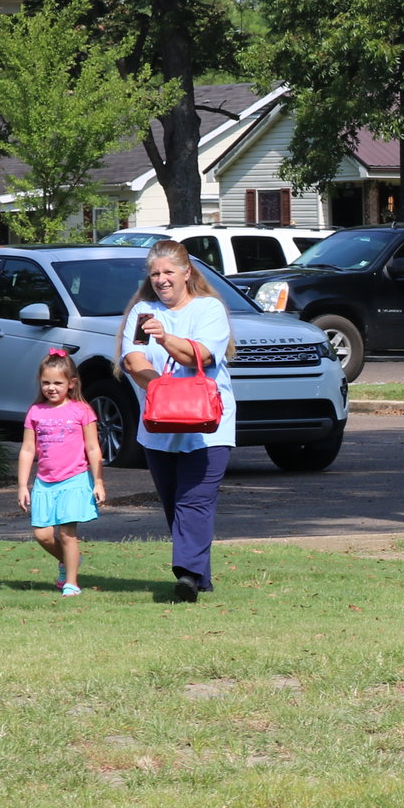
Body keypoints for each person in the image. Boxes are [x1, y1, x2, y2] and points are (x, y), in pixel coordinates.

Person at [121, 239, 236, 602]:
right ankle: (200, 575)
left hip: (208, 427)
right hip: (160, 426)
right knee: (174, 504)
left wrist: (166, 337)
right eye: (155, 273)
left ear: (187, 273)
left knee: (194, 502)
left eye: (169, 271)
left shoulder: (209, 309)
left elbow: (199, 355)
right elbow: (133, 360)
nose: (161, 279)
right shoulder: (143, 312)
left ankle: (186, 574)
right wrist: (163, 390)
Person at [18, 351, 107, 597]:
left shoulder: (82, 410)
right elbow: (27, 450)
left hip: (74, 479)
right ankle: (68, 561)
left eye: (58, 382)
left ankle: (71, 583)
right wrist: (23, 485)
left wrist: (98, 481)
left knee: (67, 534)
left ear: (71, 383)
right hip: (44, 482)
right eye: (46, 382)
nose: (51, 388)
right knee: (42, 535)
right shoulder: (35, 411)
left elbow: (93, 448)